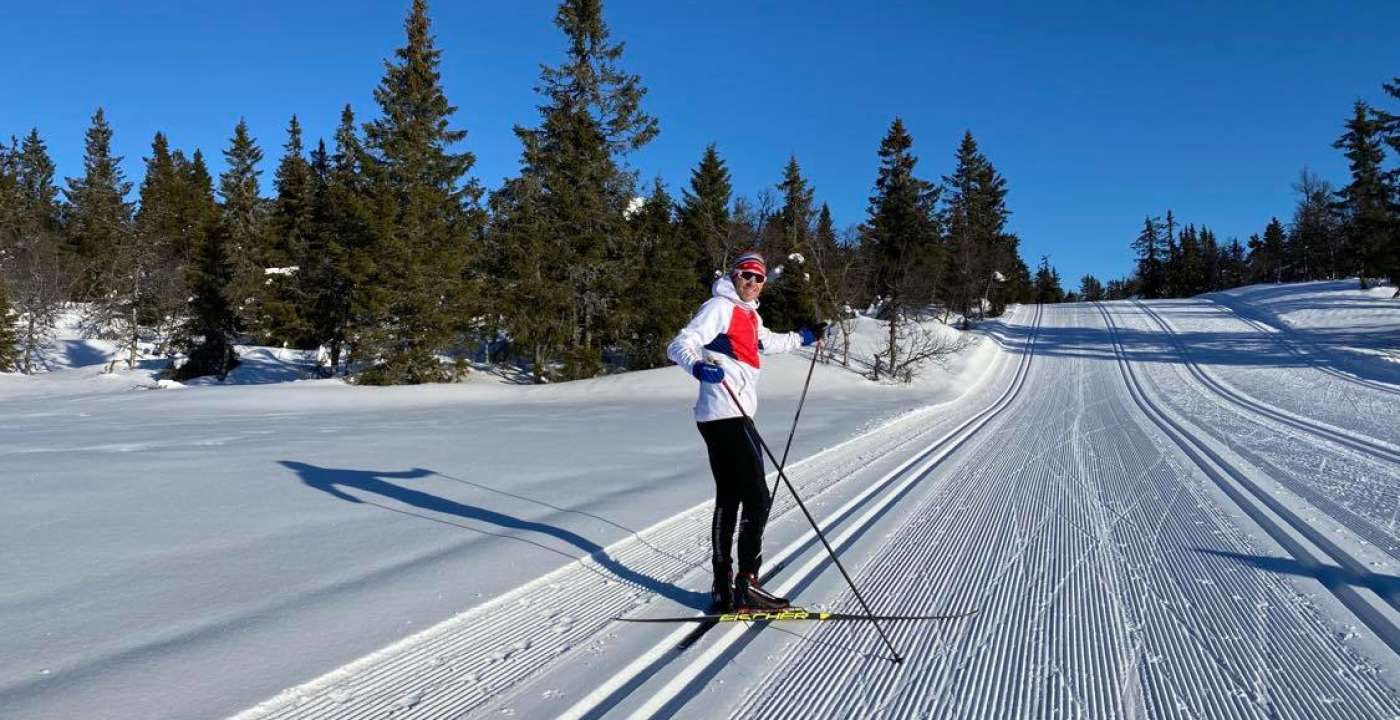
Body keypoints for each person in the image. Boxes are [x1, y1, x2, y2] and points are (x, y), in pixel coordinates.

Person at [667, 251, 826, 611]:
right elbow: (679, 344)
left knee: (730, 496)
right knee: (757, 497)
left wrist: (804, 336)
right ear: (734, 276)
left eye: (758, 278)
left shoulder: (749, 314)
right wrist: (696, 367)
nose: (752, 283)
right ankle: (747, 582)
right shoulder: (719, 307)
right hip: (727, 413)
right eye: (746, 275)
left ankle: (723, 587)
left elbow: (767, 342)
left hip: (720, 415)